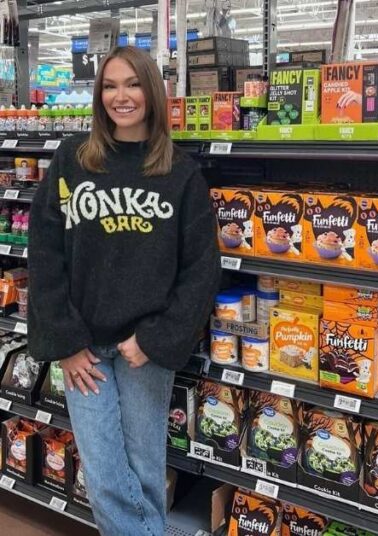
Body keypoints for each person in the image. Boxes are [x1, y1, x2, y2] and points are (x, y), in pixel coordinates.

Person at [27, 46, 220, 535]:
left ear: (152, 92)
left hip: (144, 350)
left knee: (146, 470)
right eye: (110, 86)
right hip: (84, 348)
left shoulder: (180, 173)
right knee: (105, 472)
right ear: (98, 95)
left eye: (132, 84)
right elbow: (45, 253)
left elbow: (201, 268)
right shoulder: (73, 158)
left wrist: (157, 339)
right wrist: (66, 342)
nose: (121, 96)